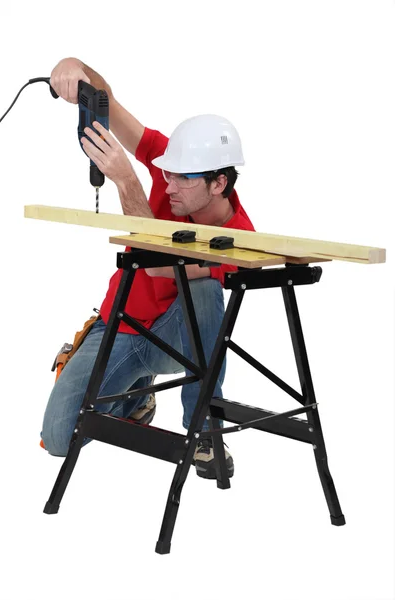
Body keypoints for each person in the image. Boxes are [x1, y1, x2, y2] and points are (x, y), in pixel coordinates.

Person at [41, 57, 256, 480]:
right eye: (166, 175)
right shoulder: (169, 163)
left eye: (182, 180)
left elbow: (161, 269)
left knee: (206, 292)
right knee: (60, 438)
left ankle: (205, 430)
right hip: (117, 326)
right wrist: (75, 69)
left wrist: (127, 183)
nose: (167, 184)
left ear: (219, 183)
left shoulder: (240, 236)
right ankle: (136, 398)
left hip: (173, 339)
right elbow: (110, 103)